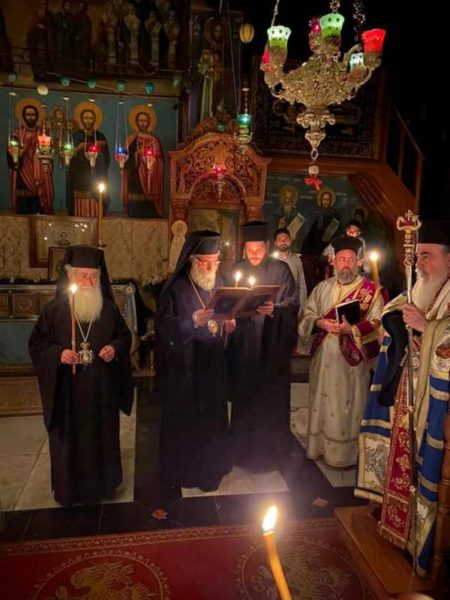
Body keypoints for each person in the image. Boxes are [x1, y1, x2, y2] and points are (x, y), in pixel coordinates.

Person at [355, 220, 450, 575]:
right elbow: (393, 310)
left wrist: (428, 329)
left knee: (424, 467)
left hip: (436, 410)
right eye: (417, 257)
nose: (419, 265)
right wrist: (401, 326)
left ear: (449, 260)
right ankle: (397, 524)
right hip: (408, 395)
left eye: (427, 257)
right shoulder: (422, 287)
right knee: (402, 458)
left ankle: (422, 544)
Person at [29, 246, 133, 506]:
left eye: (93, 276)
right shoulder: (54, 310)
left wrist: (115, 348)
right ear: (70, 276)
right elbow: (37, 343)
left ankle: (103, 486)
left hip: (101, 390)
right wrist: (58, 354)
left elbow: (124, 337)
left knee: (101, 439)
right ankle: (69, 490)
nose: (88, 281)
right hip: (67, 392)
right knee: (70, 443)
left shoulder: (108, 310)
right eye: (82, 276)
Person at [156, 230, 235, 491]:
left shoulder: (220, 283)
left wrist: (228, 326)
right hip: (186, 368)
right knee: (189, 420)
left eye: (214, 261)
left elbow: (223, 318)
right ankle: (188, 471)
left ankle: (213, 467)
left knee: (213, 418)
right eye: (204, 262)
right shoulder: (176, 288)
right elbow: (163, 327)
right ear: (192, 260)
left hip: (214, 365)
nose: (210, 267)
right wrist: (190, 321)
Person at [298, 235, 385, 467]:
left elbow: (378, 324)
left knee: (349, 406)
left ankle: (347, 455)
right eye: (342, 259)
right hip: (323, 359)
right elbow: (306, 314)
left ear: (358, 262)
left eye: (351, 259)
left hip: (353, 362)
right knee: (323, 402)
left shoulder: (372, 291)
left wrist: (352, 329)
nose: (346, 264)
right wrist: (320, 323)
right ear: (333, 261)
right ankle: (319, 448)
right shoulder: (322, 288)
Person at [228, 221, 299, 472]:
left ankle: (272, 453)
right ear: (244, 248)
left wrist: (274, 309)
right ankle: (242, 451)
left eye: (259, 249)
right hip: (244, 347)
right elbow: (226, 299)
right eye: (250, 249)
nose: (254, 254)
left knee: (270, 400)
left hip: (271, 349)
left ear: (267, 247)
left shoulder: (281, 269)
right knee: (245, 398)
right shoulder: (236, 269)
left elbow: (292, 303)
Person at [7, 103, 54, 215]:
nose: (30, 117)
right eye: (28, 115)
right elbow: (11, 155)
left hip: (39, 174)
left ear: (37, 116)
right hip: (22, 173)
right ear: (24, 116)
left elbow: (49, 154)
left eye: (33, 115)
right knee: (24, 207)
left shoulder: (43, 134)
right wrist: (21, 152)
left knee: (39, 208)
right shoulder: (17, 133)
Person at [68, 106, 110, 216]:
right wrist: (80, 147)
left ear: (94, 120)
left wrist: (99, 149)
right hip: (80, 176)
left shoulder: (100, 136)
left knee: (96, 208)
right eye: (86, 118)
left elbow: (106, 159)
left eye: (90, 118)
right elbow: (69, 155)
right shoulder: (76, 136)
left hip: (97, 175)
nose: (88, 121)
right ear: (82, 120)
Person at [122, 109, 164, 218]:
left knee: (149, 213)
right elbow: (125, 159)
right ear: (136, 122)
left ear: (149, 122)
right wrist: (137, 154)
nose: (143, 123)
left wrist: (151, 160)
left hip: (150, 178)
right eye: (140, 121)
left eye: (145, 121)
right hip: (134, 176)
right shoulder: (131, 139)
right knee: (135, 210)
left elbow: (160, 161)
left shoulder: (154, 140)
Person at [273, 227, 307, 316]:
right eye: (280, 239)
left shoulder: (296, 260)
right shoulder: (271, 261)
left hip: (293, 304)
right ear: (275, 243)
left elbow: (301, 284)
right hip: (276, 303)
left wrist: (302, 306)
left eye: (286, 239)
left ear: (290, 241)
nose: (283, 241)